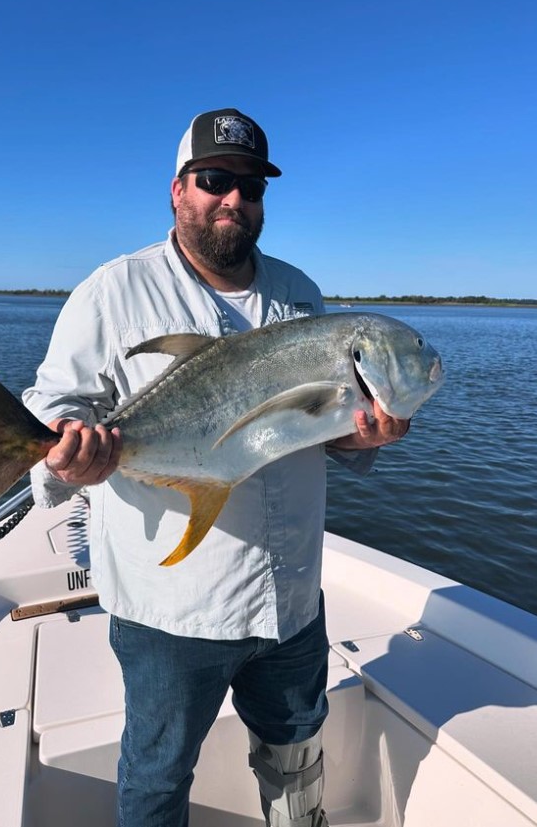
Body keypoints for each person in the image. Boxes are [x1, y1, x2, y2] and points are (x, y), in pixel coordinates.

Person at [23, 108, 409, 827]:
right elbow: (58, 408)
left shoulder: (299, 293)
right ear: (178, 190)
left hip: (292, 596)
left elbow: (314, 431)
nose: (234, 198)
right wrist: (70, 452)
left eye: (251, 186)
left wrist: (364, 440)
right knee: (157, 772)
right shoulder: (114, 290)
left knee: (295, 749)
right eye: (215, 179)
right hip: (172, 607)